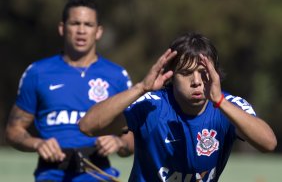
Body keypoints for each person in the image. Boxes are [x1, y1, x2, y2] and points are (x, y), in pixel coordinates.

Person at [79, 32, 277, 181]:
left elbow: (269, 144)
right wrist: (140, 88)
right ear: (171, 76)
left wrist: (220, 102)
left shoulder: (228, 107)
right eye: (186, 72)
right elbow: (87, 126)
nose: (197, 81)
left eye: (203, 72)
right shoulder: (151, 105)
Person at [5, 0, 134, 181]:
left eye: (88, 24)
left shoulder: (117, 76)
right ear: (62, 28)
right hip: (51, 173)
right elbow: (13, 130)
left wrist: (118, 142)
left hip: (97, 172)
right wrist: (37, 144)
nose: (81, 30)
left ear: (98, 31)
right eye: (75, 23)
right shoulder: (37, 72)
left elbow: (133, 136)